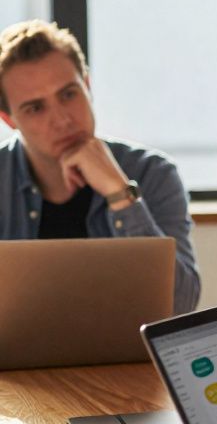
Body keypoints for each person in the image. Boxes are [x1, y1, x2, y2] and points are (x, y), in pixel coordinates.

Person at [0, 19, 200, 314]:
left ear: (88, 86)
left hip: (130, 358)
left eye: (69, 94)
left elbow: (180, 306)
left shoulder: (152, 172)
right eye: (36, 108)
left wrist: (121, 195)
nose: (62, 119)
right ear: (9, 119)